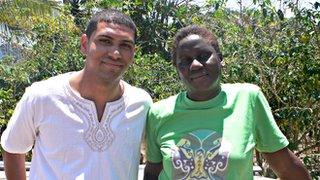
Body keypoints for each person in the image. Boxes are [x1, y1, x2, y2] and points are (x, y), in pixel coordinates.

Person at [143, 25, 311, 180]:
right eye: (185, 61)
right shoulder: (159, 112)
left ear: (220, 58)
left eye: (203, 56)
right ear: (177, 69)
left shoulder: (247, 99)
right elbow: (152, 172)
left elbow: (287, 168)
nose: (195, 65)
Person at [1, 9, 152, 179]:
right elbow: (13, 148)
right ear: (84, 44)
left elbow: (156, 157)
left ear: (133, 52)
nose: (115, 53)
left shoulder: (141, 104)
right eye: (105, 41)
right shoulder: (42, 96)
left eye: (125, 45)